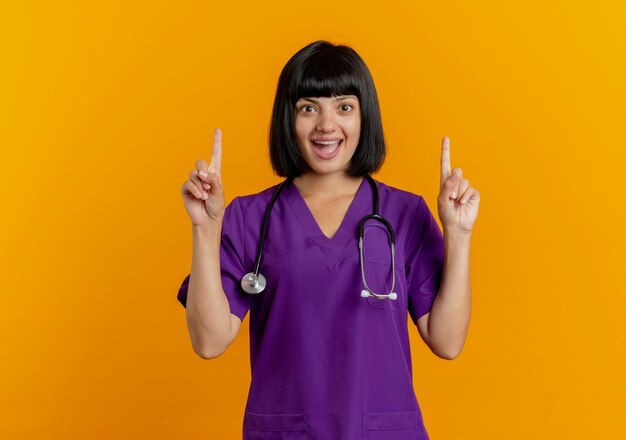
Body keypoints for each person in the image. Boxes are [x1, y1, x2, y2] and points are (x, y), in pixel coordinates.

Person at [177, 40, 480, 440]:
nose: (326, 124)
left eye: (344, 106)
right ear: (289, 118)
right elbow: (209, 341)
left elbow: (448, 340)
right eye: (308, 107)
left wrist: (458, 235)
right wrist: (205, 226)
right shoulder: (250, 218)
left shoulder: (404, 213)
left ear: (363, 116)